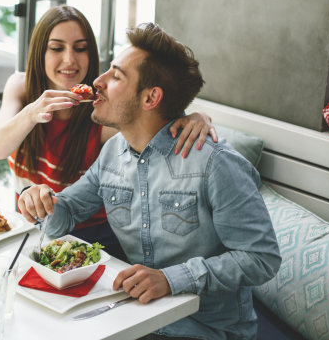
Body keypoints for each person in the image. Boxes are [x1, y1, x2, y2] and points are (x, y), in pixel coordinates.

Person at [17, 22, 281, 339]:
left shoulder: (216, 165)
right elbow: (69, 211)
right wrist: (42, 200)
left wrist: (171, 278)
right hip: (133, 319)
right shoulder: (113, 151)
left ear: (150, 97)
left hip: (205, 329)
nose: (97, 82)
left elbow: (261, 259)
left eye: (115, 76)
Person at [0, 5, 217, 260]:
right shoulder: (20, 87)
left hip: (92, 235)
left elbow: (153, 120)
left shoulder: (104, 111)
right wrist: (33, 113)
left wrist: (195, 117)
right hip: (33, 224)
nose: (69, 60)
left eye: (80, 48)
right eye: (56, 48)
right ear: (39, 53)